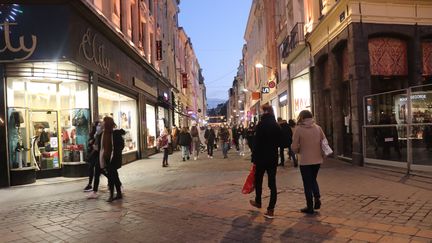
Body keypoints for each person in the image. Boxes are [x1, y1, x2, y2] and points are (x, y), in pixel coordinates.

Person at [249, 105, 282, 219]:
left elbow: (256, 143)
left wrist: (254, 157)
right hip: (272, 157)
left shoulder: (261, 125)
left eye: (262, 111)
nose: (261, 113)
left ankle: (258, 201)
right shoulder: (276, 126)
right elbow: (281, 142)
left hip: (261, 158)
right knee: (272, 184)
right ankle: (271, 209)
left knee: (258, 180)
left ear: (265, 112)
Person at [291, 110, 325, 214]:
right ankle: (317, 197)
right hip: (317, 160)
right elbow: (324, 142)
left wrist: (298, 151)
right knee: (313, 179)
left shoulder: (299, 129)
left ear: (301, 117)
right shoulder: (318, 128)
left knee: (307, 183)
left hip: (305, 161)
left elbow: (294, 146)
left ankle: (310, 206)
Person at [100, 116, 125, 202]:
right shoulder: (103, 133)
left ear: (107, 123)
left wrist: (115, 154)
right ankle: (118, 193)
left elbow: (121, 145)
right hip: (106, 158)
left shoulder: (114, 133)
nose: (102, 123)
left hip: (113, 158)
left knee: (111, 177)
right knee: (114, 176)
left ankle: (111, 195)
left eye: (103, 121)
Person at [84, 121, 100, 193]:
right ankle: (90, 184)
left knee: (101, 170)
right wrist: (91, 143)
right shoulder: (93, 134)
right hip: (93, 154)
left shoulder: (100, 134)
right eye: (97, 125)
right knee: (91, 168)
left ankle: (114, 181)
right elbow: (90, 143)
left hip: (98, 154)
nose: (98, 127)